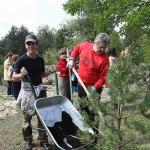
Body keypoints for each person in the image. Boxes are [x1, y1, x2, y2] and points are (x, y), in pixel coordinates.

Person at [67, 33, 110, 138]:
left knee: (93, 113)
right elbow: (76, 49)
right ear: (95, 43)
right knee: (84, 110)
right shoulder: (85, 46)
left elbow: (103, 77)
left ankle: (93, 138)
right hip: (82, 85)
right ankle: (86, 134)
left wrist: (94, 89)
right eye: (100, 47)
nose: (102, 50)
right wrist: (72, 59)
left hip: (95, 88)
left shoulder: (104, 59)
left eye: (104, 48)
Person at [12, 34, 50, 150]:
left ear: (37, 45)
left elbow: (42, 74)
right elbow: (13, 77)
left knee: (42, 117)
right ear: (25, 46)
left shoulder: (40, 59)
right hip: (28, 91)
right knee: (27, 118)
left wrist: (49, 72)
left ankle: (43, 140)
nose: (30, 46)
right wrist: (21, 75)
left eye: (33, 43)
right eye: (28, 44)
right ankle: (28, 140)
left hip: (40, 90)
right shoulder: (21, 60)